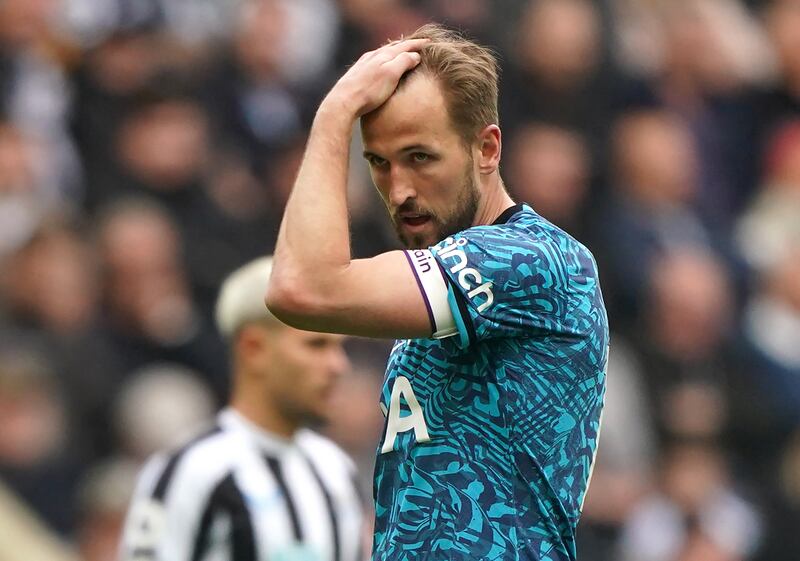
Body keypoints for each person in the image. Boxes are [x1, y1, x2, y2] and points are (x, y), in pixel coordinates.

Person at [266, 24, 609, 561]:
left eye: (420, 157)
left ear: (487, 148)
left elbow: (303, 287)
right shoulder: (436, 296)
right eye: (378, 162)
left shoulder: (533, 260)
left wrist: (335, 115)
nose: (399, 190)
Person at [118, 256, 365, 561]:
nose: (338, 366)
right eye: (316, 345)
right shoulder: (191, 470)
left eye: (340, 347)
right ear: (254, 348)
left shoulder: (335, 470)